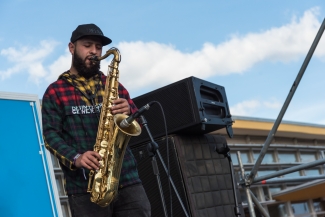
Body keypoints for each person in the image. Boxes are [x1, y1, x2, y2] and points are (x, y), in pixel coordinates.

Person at [42, 23, 151, 217]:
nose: (94, 51)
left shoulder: (114, 85)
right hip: (85, 189)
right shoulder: (55, 91)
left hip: (127, 181)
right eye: (88, 45)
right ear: (72, 48)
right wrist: (77, 157)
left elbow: (139, 124)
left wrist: (129, 112)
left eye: (98, 47)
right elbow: (51, 136)